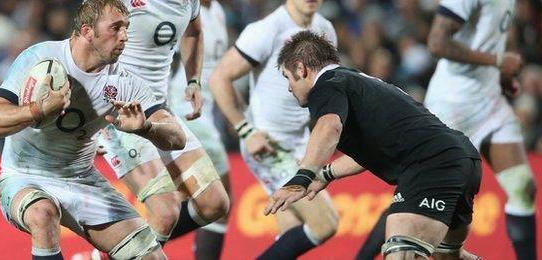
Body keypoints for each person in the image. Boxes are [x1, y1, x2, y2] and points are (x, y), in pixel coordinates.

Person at [0, 1, 186, 259]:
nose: (125, 36)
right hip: (24, 175)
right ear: (88, 31)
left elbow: (176, 137)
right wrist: (38, 109)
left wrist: (147, 127)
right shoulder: (41, 58)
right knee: (43, 213)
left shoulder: (124, 83)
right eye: (116, 28)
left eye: (127, 28)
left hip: (82, 180)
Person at [266, 30, 482, 260]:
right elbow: (372, 148)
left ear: (301, 69)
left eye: (287, 77)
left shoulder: (327, 85)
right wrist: (325, 174)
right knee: (449, 257)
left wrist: (302, 177)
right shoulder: (355, 81)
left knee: (400, 254)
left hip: (431, 165)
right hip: (462, 159)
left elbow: (329, 127)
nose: (289, 87)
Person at [359, 0, 538, 259]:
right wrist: (497, 60)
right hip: (453, 103)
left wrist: (500, 75)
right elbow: (437, 42)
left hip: (489, 99)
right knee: (414, 198)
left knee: (523, 186)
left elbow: (483, 38)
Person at [209, 1, 339, 259]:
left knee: (289, 235)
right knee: (326, 223)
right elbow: (219, 77)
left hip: (300, 142)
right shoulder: (268, 29)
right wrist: (246, 130)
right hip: (268, 144)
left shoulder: (326, 29)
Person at [96, 0, 229, 248]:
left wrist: (194, 80)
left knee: (215, 203)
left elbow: (195, 32)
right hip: (118, 112)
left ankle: (112, 255)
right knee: (165, 213)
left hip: (158, 110)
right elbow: (84, 43)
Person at [166, 0, 232, 258]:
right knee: (219, 198)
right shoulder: (183, 7)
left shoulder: (216, 10)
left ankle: (122, 248)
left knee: (191, 203)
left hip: (205, 111)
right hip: (184, 107)